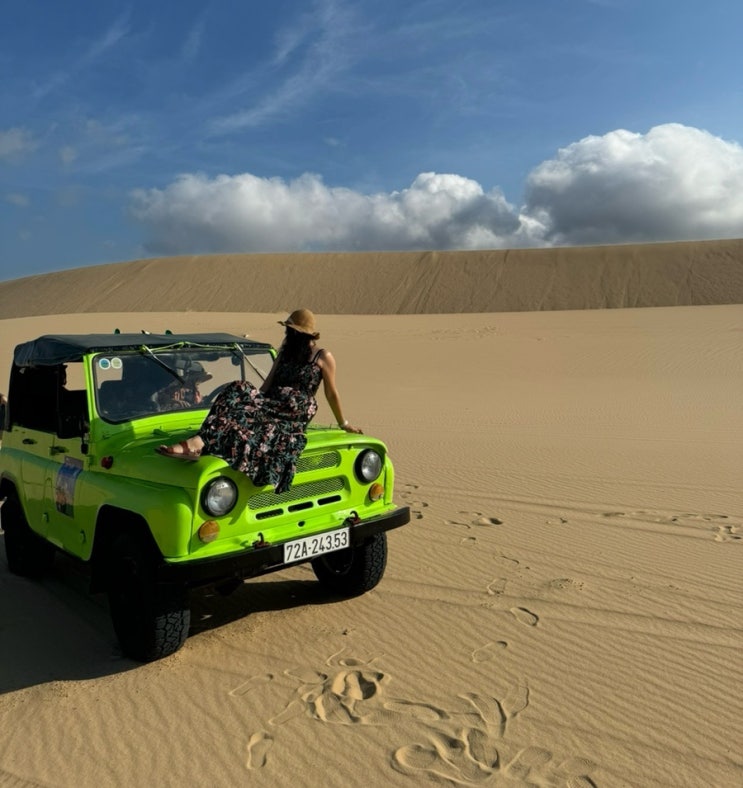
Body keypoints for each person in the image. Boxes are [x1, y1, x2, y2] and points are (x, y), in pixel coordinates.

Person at [157, 309, 363, 493]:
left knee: (255, 423)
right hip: (271, 402)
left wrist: (343, 423)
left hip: (295, 411)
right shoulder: (285, 353)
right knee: (239, 387)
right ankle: (199, 441)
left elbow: (331, 393)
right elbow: (266, 386)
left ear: (302, 334)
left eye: (292, 331)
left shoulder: (323, 356)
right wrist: (249, 402)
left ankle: (198, 443)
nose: (288, 334)